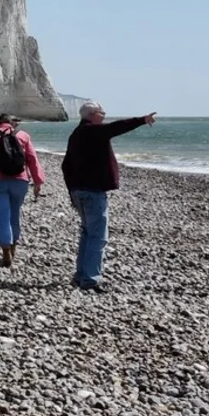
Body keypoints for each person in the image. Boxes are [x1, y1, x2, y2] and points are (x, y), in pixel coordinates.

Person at [61, 101, 156, 293]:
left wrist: (72, 191)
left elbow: (65, 165)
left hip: (79, 191)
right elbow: (117, 127)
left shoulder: (76, 134)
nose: (104, 115)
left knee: (88, 234)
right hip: (92, 191)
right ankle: (90, 280)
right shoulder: (92, 131)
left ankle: (81, 276)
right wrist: (142, 120)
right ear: (92, 115)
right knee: (97, 236)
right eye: (101, 112)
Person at [0, 113, 46, 267]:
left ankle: (6, 252)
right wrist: (38, 182)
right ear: (10, 123)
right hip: (20, 181)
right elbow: (32, 159)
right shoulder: (23, 136)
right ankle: (13, 249)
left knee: (2, 216)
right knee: (14, 215)